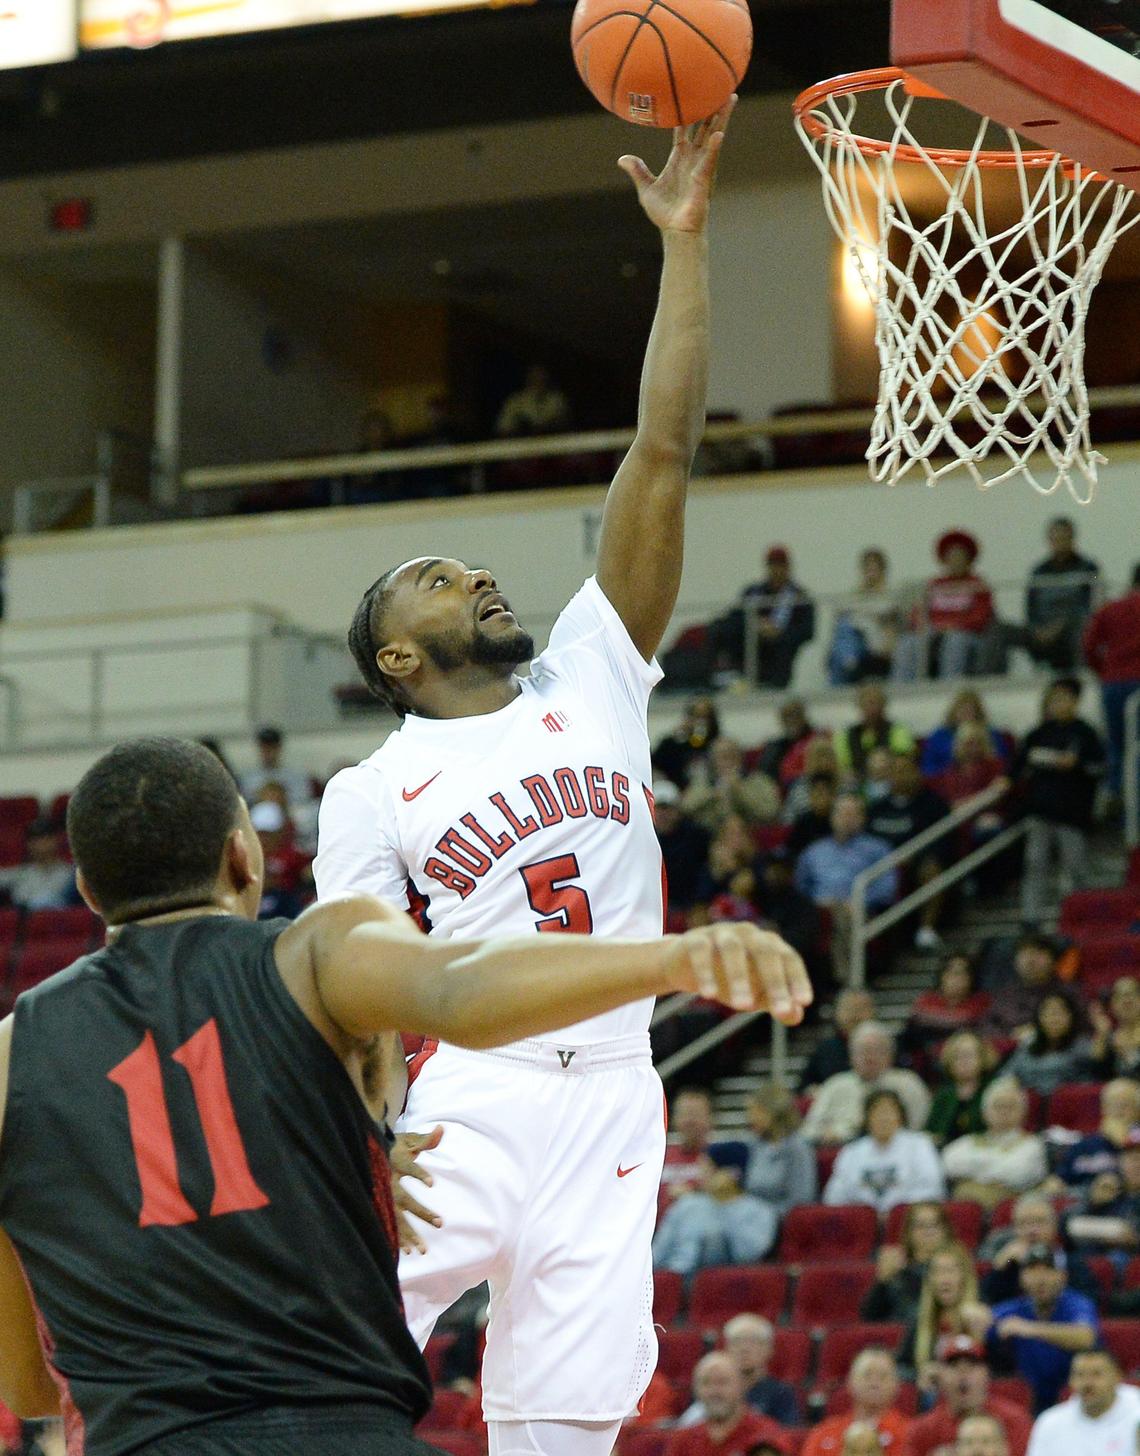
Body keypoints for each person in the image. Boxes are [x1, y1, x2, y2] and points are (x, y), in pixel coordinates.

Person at [312, 108, 790, 1456]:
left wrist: (686, 249)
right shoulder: (376, 786)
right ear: (399, 652)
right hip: (472, 1096)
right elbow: (351, 991)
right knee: (318, 1357)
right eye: (437, 579)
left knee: (563, 1429)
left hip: (616, 1093)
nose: (475, 574)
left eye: (469, 563)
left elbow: (661, 454)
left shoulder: (591, 668)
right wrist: (363, 1138)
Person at [0, 738, 808, 1456]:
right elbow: (461, 986)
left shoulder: (12, 1058)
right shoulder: (312, 956)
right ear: (243, 855)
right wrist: (671, 960)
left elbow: (31, 1388)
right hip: (340, 1428)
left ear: (87, 889)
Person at [1005, 678, 1105, 928]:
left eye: (1064, 699)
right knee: (1035, 862)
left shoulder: (1085, 733)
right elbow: (1017, 766)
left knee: (1075, 865)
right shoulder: (1039, 733)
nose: (1059, 704)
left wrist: (1077, 765)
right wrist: (1006, 780)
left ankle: (1083, 912)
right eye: (1055, 699)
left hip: (1072, 812)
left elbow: (1099, 767)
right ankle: (1031, 918)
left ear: (1075, 702)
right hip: (1041, 810)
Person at [969, 1245, 1099, 1413]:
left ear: (1063, 1276)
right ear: (1022, 1278)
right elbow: (980, 1324)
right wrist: (972, 1315)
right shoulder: (1015, 1309)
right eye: (1032, 1271)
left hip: (1074, 1398)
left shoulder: (1076, 1304)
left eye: (1048, 1270)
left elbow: (1085, 1337)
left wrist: (1030, 1329)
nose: (1040, 1279)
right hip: (1029, 1401)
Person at [794, 795, 897, 983]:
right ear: (832, 817)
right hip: (819, 910)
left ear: (862, 818)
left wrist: (860, 901)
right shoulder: (814, 851)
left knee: (843, 914)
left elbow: (888, 887)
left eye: (853, 813)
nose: (847, 819)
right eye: (842, 813)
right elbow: (800, 887)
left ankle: (845, 980)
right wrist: (816, 902)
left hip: (861, 909)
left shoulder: (877, 848)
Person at [866, 751, 951, 952]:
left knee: (931, 869)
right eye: (894, 771)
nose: (900, 776)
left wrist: (911, 857)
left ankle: (926, 929)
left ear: (917, 773)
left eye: (906, 770)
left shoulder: (933, 804)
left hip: (916, 864)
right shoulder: (876, 808)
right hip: (878, 866)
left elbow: (943, 841)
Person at [652, 1143, 778, 1277]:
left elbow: (747, 1254)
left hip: (723, 1285)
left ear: (730, 1173)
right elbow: (658, 1253)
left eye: (708, 1168)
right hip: (674, 1280)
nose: (701, 1175)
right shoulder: (687, 1204)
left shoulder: (760, 1212)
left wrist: (721, 1204)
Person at [802, 1021, 931, 1144]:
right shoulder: (835, 1085)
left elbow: (922, 1127)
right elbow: (808, 1130)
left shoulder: (909, 1083)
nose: (869, 1056)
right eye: (862, 1051)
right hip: (841, 1150)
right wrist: (827, 1134)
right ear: (851, 1056)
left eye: (876, 1050)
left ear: (890, 1054)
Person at [823, 1088, 946, 1215]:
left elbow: (932, 1189)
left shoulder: (919, 1144)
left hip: (907, 1220)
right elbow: (834, 1196)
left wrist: (895, 1214)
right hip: (861, 1223)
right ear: (866, 1118)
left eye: (889, 1112)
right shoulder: (851, 1151)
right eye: (877, 1112)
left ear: (900, 1116)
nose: (883, 1118)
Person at [903, 1335, 1032, 1456]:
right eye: (954, 1366)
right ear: (940, 1376)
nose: (963, 1373)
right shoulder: (922, 1430)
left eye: (972, 1365)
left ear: (987, 1373)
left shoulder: (1015, 1421)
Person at [894, 531, 996, 682]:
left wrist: (954, 626)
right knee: (908, 642)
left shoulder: (978, 585)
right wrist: (928, 626)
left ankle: (949, 686)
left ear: (968, 559)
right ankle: (902, 688)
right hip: (935, 631)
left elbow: (981, 617)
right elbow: (917, 613)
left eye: (960, 557)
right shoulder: (934, 585)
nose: (955, 561)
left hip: (966, 635)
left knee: (955, 641)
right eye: (951, 557)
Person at [712, 547, 816, 689]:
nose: (777, 570)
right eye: (773, 565)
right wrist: (756, 625)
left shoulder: (800, 598)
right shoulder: (752, 592)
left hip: (779, 657)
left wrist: (779, 632)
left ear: (788, 567)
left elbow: (807, 631)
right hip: (749, 654)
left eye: (781, 565)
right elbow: (733, 619)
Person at [941, 1077, 1047, 1212]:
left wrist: (973, 1173)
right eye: (998, 1106)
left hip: (1007, 1213)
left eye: (1010, 1106)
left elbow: (1016, 1174)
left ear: (1023, 1112)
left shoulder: (1032, 1144)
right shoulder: (967, 1141)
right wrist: (997, 1167)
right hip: (963, 1210)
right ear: (985, 1111)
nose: (1004, 1111)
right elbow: (949, 1165)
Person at [1082, 562, 1140, 806]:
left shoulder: (1110, 609)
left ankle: (1115, 789)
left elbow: (1088, 647)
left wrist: (1103, 671)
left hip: (1114, 683)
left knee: (1117, 744)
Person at [675, 1316, 800, 1428]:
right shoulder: (709, 1389)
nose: (744, 1348)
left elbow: (785, 1434)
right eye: (737, 1341)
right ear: (726, 1347)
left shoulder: (781, 1393)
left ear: (769, 1349)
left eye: (753, 1341)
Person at [978, 1196, 1097, 1307]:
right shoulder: (1008, 1264)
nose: (1032, 1231)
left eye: (1039, 1222)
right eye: (1023, 1223)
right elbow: (986, 1304)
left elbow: (1088, 1305)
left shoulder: (1070, 1260)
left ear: (1054, 1226)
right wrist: (1000, 1267)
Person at [664, 1354, 791, 1456]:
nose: (714, 1391)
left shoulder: (766, 1434)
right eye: (706, 1383)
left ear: (742, 1386)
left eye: (722, 1382)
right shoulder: (683, 1440)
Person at [1025, 1347, 1140, 1456]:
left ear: (1117, 1377)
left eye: (1097, 1374)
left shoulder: (1136, 1414)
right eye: (1080, 1375)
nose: (1087, 1383)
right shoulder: (1050, 1422)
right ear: (1070, 1380)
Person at [899, 1243, 983, 1390]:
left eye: (950, 1271)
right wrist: (920, 1373)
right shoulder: (920, 1321)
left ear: (965, 1276)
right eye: (937, 1272)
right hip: (934, 1397)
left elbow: (1000, 1370)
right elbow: (901, 1367)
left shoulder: (981, 1315)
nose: (944, 1279)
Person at [800, 1348, 912, 1456]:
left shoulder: (910, 1434)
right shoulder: (823, 1433)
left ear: (897, 1385)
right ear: (850, 1381)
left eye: (883, 1376)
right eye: (867, 1375)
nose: (874, 1383)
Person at [1023, 518, 1100, 672]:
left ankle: (1082, 674)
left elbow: (1089, 604)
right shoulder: (1038, 571)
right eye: (1056, 539)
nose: (1060, 543)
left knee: (1081, 629)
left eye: (1064, 538)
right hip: (1042, 629)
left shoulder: (1088, 567)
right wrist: (1037, 629)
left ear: (1072, 539)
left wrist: (1060, 626)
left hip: (1074, 624)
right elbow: (1031, 607)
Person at [861, 1202, 954, 1324]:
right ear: (909, 1232)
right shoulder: (896, 1272)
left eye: (934, 1225)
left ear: (945, 1230)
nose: (928, 1231)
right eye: (921, 1225)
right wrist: (882, 1281)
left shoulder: (958, 1268)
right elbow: (869, 1317)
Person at [828, 547, 904, 685]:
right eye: (867, 568)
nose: (870, 573)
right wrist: (862, 593)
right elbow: (840, 611)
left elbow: (888, 618)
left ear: (882, 570)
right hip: (856, 642)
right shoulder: (855, 594)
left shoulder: (890, 595)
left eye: (874, 568)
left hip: (876, 644)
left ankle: (848, 661)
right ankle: (848, 661)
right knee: (843, 630)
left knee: (844, 636)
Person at [741, 1083, 817, 1220]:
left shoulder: (797, 1148)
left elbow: (801, 1201)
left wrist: (763, 1216)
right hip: (750, 1217)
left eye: (755, 1112)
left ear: (773, 1112)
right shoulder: (755, 1145)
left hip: (780, 1222)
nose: (750, 1118)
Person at [1002, 991, 1094, 1097]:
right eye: (1048, 1013)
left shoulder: (1081, 1044)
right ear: (1039, 1018)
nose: (1054, 1018)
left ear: (1071, 1016)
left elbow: (1097, 1059)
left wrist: (1102, 1034)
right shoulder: (1029, 1044)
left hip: (1068, 1103)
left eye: (1059, 1012)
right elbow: (1007, 1073)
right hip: (1029, 1104)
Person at [680, 737, 781, 833]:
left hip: (750, 836)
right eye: (722, 756)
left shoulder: (759, 780)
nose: (728, 760)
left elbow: (770, 812)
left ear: (741, 757)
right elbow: (686, 808)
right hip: (709, 837)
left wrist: (739, 790)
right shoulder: (702, 784)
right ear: (713, 761)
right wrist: (713, 794)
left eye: (732, 755)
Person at [1055, 1076, 1140, 1187]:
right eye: (1111, 1105)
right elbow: (1059, 1180)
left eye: (1124, 1105)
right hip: (1083, 1198)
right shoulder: (1085, 1144)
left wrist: (1121, 1140)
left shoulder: (1136, 1140)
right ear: (1102, 1108)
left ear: (1137, 1109)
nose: (1117, 1111)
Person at [906, 963, 993, 1062]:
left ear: (970, 978)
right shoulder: (926, 999)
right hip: (928, 1056)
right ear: (942, 976)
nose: (956, 979)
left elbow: (974, 1024)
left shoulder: (980, 1001)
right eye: (951, 973)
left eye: (961, 974)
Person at [983, 935, 1064, 1040]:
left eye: (1037, 953)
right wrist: (1011, 1036)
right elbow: (987, 1027)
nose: (1030, 960)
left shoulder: (1067, 992)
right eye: (1024, 953)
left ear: (1053, 960)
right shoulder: (1004, 995)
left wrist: (1039, 1032)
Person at [925, 1031, 997, 1147]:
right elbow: (930, 1132)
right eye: (957, 1056)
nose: (964, 1061)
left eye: (969, 1055)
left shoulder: (994, 1090)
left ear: (982, 1058)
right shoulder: (944, 1095)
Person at [654, 782, 712, 924]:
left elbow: (705, 872)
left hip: (689, 907)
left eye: (668, 809)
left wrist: (699, 903)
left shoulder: (696, 837)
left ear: (678, 811)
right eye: (659, 809)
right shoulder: (641, 836)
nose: (663, 815)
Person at [799, 988, 875, 1094]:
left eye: (860, 1009)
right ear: (837, 1012)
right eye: (849, 1008)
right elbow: (805, 1087)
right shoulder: (825, 1050)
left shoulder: (886, 1045)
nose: (855, 1015)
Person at [921, 691, 1011, 778]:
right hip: (947, 783)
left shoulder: (991, 734)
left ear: (978, 713)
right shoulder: (939, 736)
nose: (966, 713)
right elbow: (928, 768)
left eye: (971, 710)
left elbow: (1002, 764)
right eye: (962, 709)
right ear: (953, 712)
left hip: (985, 781)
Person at [834, 685, 916, 776]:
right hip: (856, 781)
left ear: (884, 705)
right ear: (860, 706)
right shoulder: (847, 734)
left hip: (890, 779)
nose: (872, 708)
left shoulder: (898, 730)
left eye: (876, 703)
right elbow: (843, 764)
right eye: (868, 703)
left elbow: (903, 758)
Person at [660, 1087, 716, 1214]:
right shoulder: (660, 1157)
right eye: (685, 1114)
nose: (690, 1121)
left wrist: (693, 1194)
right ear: (674, 1119)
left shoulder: (720, 1157)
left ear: (709, 1118)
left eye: (696, 1115)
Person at [0, 819, 75, 912]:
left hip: (58, 921)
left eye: (45, 838)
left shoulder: (69, 874)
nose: (40, 844)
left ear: (56, 840)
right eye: (35, 840)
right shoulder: (19, 874)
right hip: (24, 921)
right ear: (28, 844)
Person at [239, 726, 315, 812]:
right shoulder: (248, 777)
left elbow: (303, 800)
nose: (268, 751)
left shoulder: (296, 775)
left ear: (279, 747)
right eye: (265, 747)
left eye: (272, 747)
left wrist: (281, 798)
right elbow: (245, 802)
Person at [653, 698, 722, 791]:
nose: (700, 721)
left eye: (704, 717)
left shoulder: (718, 744)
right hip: (676, 791)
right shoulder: (672, 742)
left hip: (708, 791)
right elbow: (655, 765)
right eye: (696, 716)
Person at [495, 364, 573, 438]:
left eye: (542, 375)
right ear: (528, 378)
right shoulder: (515, 401)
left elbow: (564, 424)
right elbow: (503, 429)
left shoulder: (557, 399)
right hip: (521, 446)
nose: (539, 379)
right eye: (535, 376)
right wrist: (521, 428)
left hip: (553, 445)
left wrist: (546, 427)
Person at [1087, 979, 1140, 1080]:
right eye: (1120, 996)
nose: (1127, 1000)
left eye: (1132, 994)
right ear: (1112, 1006)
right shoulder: (1109, 1037)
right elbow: (1097, 1077)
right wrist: (1101, 1036)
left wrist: (1128, 1054)